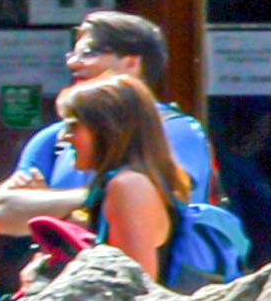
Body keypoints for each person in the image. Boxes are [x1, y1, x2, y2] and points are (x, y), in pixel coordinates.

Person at [0, 12, 219, 240]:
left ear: (131, 63)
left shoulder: (177, 131)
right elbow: (1, 214)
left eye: (89, 53)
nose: (72, 62)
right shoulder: (54, 138)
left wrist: (48, 202)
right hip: (67, 275)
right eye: (73, 53)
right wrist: (100, 201)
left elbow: (157, 205)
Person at [42, 73, 182, 280]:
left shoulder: (128, 187)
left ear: (107, 129)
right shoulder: (131, 182)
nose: (64, 137)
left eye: (73, 126)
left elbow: (136, 288)